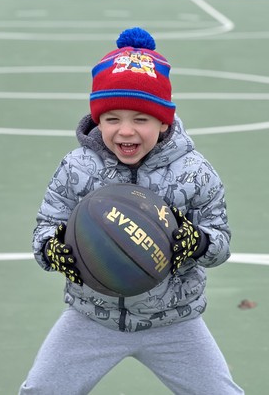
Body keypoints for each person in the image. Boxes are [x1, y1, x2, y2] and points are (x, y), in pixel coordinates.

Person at [19, 27, 244, 395]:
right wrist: (52, 249)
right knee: (42, 390)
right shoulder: (77, 168)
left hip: (174, 321)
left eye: (141, 119)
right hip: (92, 317)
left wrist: (198, 242)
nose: (126, 131)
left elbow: (220, 243)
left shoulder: (195, 173)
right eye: (112, 119)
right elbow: (47, 226)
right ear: (98, 121)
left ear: (163, 121)